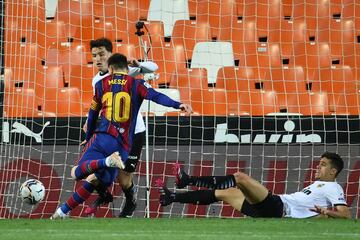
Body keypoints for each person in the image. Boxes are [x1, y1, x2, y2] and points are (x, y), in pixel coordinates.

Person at [51, 53, 192, 219]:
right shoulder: (137, 83)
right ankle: (62, 212)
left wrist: (89, 138)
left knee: (76, 173)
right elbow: (156, 96)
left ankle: (104, 163)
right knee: (97, 179)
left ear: (110, 69)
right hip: (123, 146)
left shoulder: (101, 84)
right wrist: (178, 104)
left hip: (102, 138)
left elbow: (92, 116)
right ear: (127, 69)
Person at [83, 38, 158, 218]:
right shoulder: (96, 81)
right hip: (111, 134)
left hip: (134, 133)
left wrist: (139, 64)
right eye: (94, 56)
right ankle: (105, 195)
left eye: (102, 54)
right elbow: (100, 105)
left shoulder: (126, 71)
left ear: (110, 55)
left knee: (124, 180)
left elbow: (154, 68)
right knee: (91, 173)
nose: (98, 59)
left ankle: (131, 201)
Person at [158, 152, 351, 219]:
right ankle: (172, 197)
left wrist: (328, 213)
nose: (319, 166)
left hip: (279, 208)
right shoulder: (318, 184)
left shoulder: (334, 187)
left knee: (240, 178)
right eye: (319, 163)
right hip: (273, 211)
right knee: (227, 193)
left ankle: (188, 180)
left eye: (324, 165)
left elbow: (345, 214)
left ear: (334, 171)